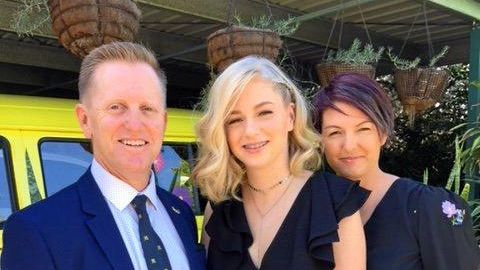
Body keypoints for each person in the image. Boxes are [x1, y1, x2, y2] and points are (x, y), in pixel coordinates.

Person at [1, 42, 206, 270]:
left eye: (147, 108)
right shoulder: (37, 231)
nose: (135, 125)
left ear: (164, 122)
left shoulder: (180, 215)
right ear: (85, 120)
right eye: (116, 107)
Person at [192, 56, 369, 270]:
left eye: (264, 113)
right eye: (235, 119)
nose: (250, 131)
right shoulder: (219, 210)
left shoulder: (336, 204)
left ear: (291, 116)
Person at [313, 73, 480, 270]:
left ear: (383, 133)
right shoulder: (312, 209)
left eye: (363, 129)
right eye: (334, 132)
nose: (349, 146)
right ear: (319, 140)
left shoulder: (427, 207)